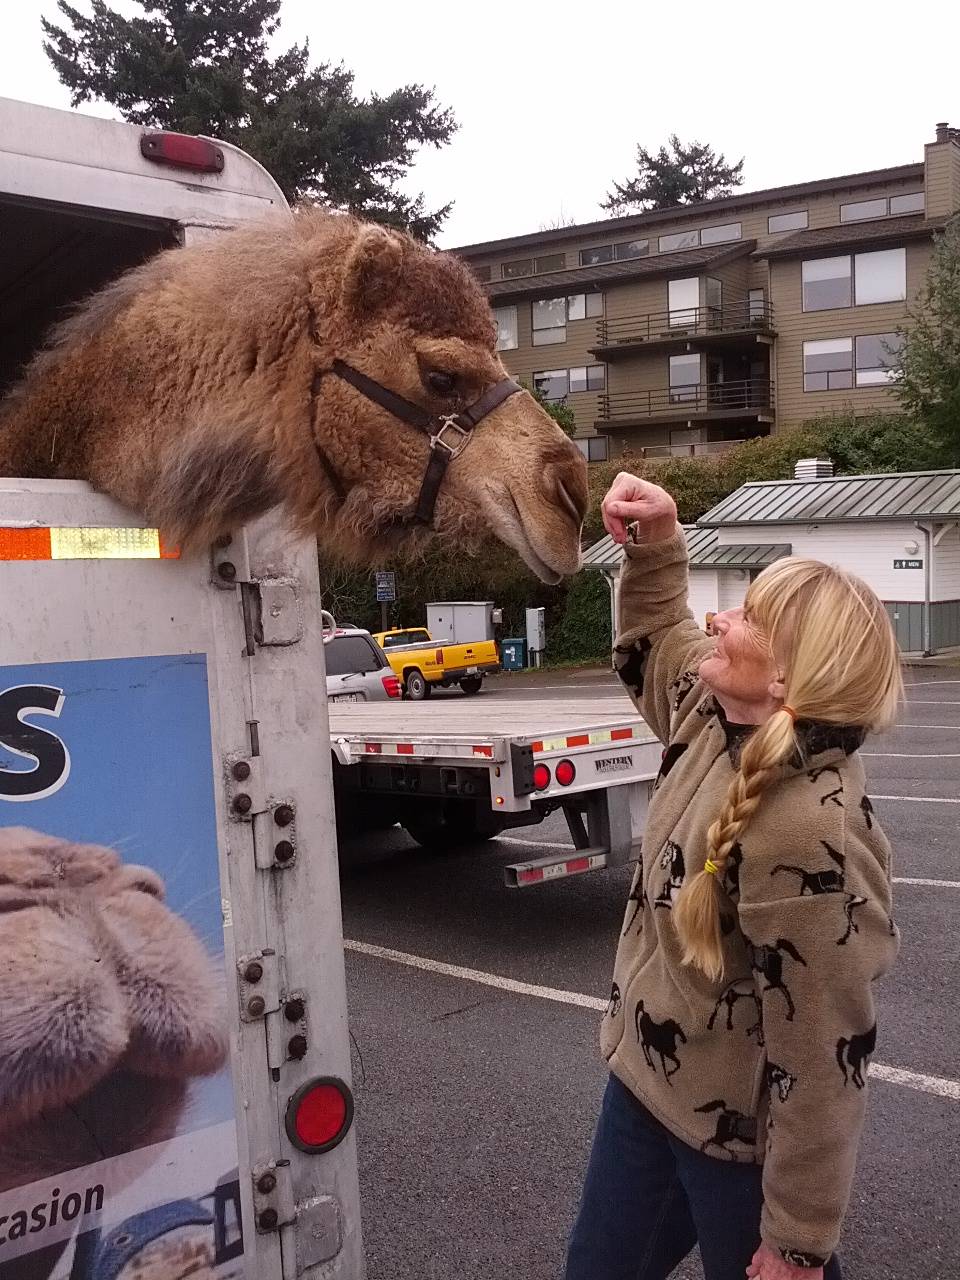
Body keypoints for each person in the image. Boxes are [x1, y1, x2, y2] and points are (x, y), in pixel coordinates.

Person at [564, 474, 901, 1280]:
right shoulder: (713, 715)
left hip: (737, 1146)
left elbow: (824, 1057)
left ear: (785, 678)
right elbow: (656, 639)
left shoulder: (811, 833)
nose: (720, 617)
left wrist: (797, 1241)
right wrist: (658, 542)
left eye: (747, 616)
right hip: (647, 1090)